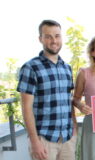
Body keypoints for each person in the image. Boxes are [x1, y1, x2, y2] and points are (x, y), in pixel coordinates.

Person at [17, 20, 76, 160]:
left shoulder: (66, 68)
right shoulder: (30, 67)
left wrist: (74, 130)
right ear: (40, 39)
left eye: (57, 36)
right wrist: (35, 142)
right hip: (44, 139)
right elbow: (26, 108)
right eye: (48, 36)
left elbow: (69, 100)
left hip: (67, 139)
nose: (53, 40)